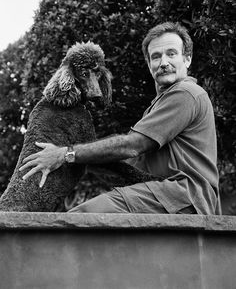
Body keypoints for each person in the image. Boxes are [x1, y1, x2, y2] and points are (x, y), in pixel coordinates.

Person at [20, 22, 221, 215]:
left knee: (82, 217)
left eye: (171, 54)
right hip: (170, 195)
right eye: (156, 56)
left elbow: (132, 145)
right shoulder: (162, 102)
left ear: (187, 59)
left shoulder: (185, 93)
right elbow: (133, 163)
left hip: (183, 195)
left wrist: (65, 154)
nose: (164, 63)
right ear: (149, 64)